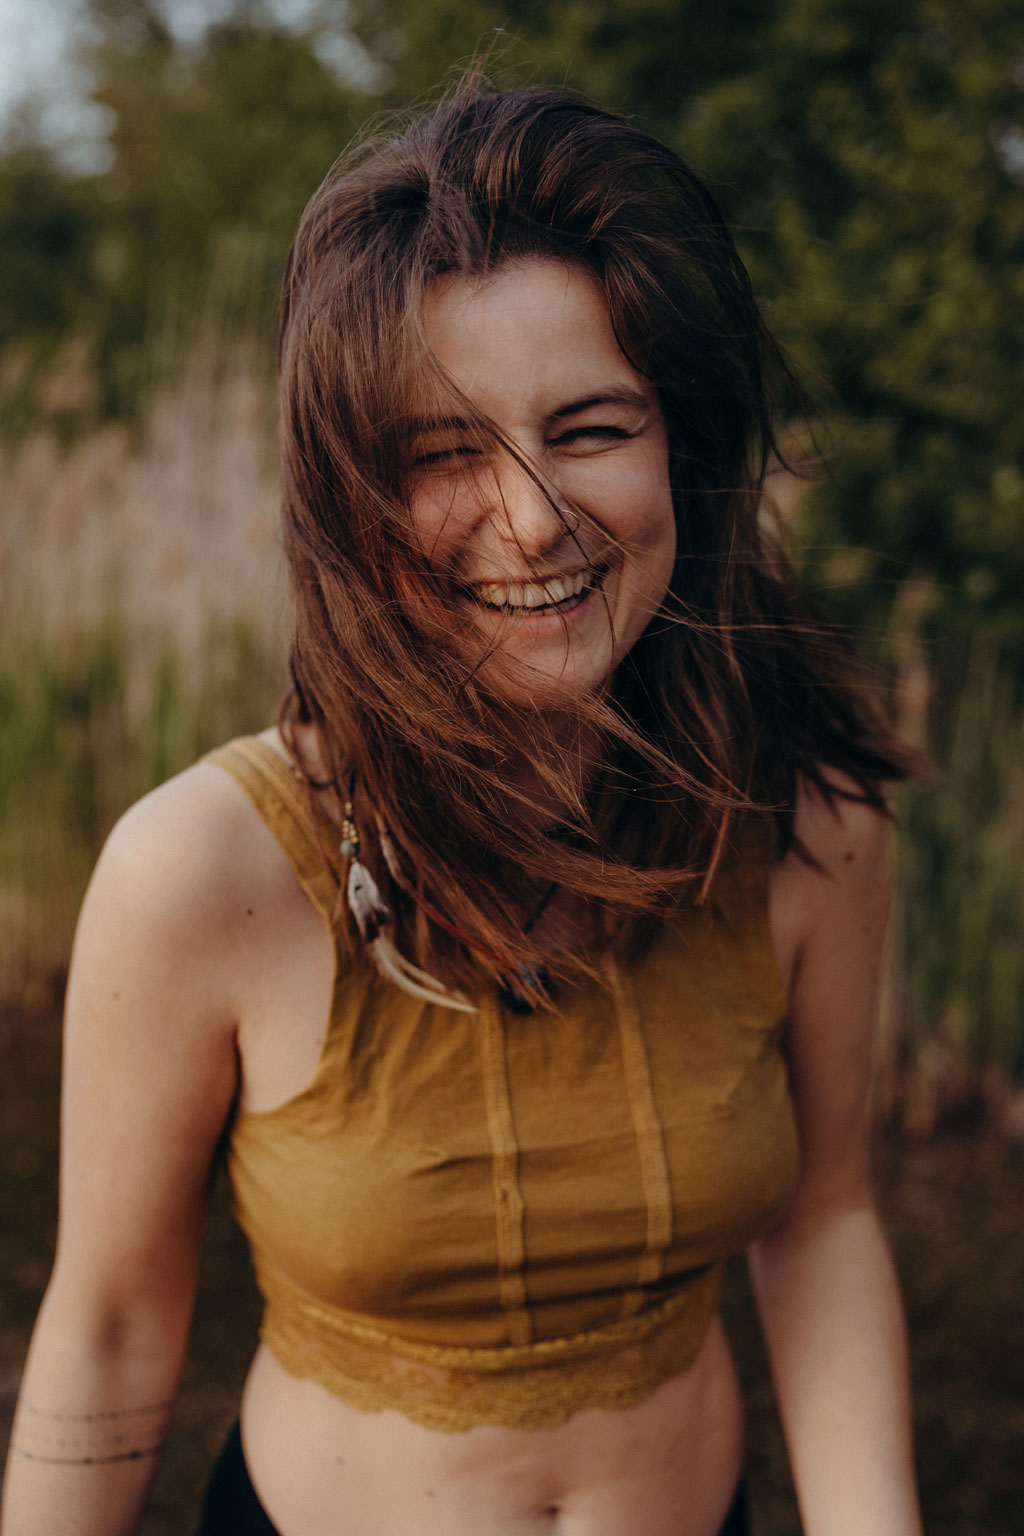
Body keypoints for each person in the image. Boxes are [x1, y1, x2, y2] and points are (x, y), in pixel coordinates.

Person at [1, 81, 923, 1536]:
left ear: (675, 443)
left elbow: (825, 1226)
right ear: (347, 501)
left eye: (590, 425)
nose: (536, 516)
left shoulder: (810, 828)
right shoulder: (200, 872)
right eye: (441, 451)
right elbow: (112, 1325)